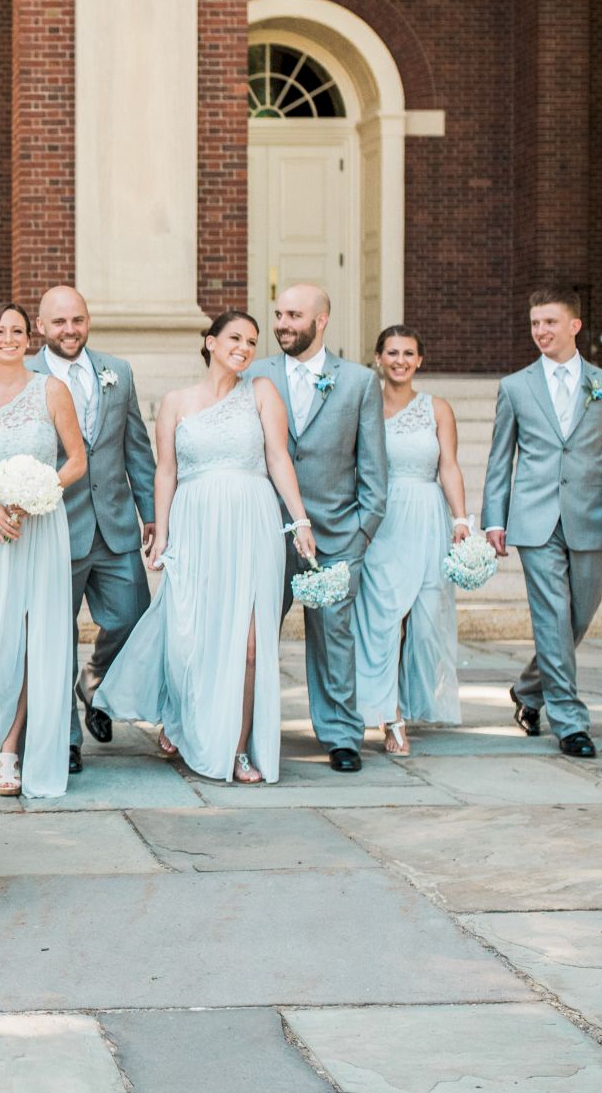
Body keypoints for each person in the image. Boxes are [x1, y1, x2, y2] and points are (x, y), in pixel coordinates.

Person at [99, 310, 316, 784]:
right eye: (235, 337)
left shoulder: (262, 393)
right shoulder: (176, 401)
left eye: (252, 342)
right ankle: (182, 718)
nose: (244, 347)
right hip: (196, 524)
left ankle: (237, 748)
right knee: (188, 637)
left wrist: (299, 518)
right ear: (211, 341)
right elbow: (166, 472)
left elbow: (278, 458)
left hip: (252, 521)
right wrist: (162, 531)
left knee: (250, 647)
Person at [483, 288, 602, 759]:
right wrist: (495, 518)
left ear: (575, 325)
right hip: (534, 519)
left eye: (550, 322)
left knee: (580, 612)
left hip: (591, 514)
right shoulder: (515, 387)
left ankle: (529, 690)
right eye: (535, 324)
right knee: (551, 615)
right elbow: (499, 459)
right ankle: (570, 722)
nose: (541, 332)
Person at [0, 302, 88, 800]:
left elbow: (77, 460)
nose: (9, 338)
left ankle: (8, 750)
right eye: (0, 331)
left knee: (29, 639)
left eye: (18, 331)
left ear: (31, 340)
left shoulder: (51, 390)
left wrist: (37, 492)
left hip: (40, 527)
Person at [245, 284, 388, 772]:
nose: (282, 323)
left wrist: (361, 533)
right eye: (279, 314)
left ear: (322, 320)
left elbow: (373, 466)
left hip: (336, 533)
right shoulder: (253, 372)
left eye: (294, 315)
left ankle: (341, 734)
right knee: (256, 634)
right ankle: (249, 728)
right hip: (268, 528)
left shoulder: (359, 382)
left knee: (335, 637)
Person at [25, 285, 155, 771]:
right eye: (59, 322)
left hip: (117, 523)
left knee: (132, 616)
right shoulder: (27, 375)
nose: (70, 330)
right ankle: (66, 740)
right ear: (41, 327)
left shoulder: (116, 372)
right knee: (55, 636)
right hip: (56, 526)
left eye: (77, 320)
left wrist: (151, 514)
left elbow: (136, 446)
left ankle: (95, 680)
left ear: (88, 321)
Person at [354, 326, 467, 754]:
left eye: (409, 353)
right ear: (379, 359)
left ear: (420, 360)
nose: (400, 360)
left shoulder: (437, 408)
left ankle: (409, 699)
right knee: (383, 617)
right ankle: (389, 716)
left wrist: (461, 520)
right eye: (392, 353)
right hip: (382, 519)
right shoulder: (364, 408)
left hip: (426, 514)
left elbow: (450, 468)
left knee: (422, 621)